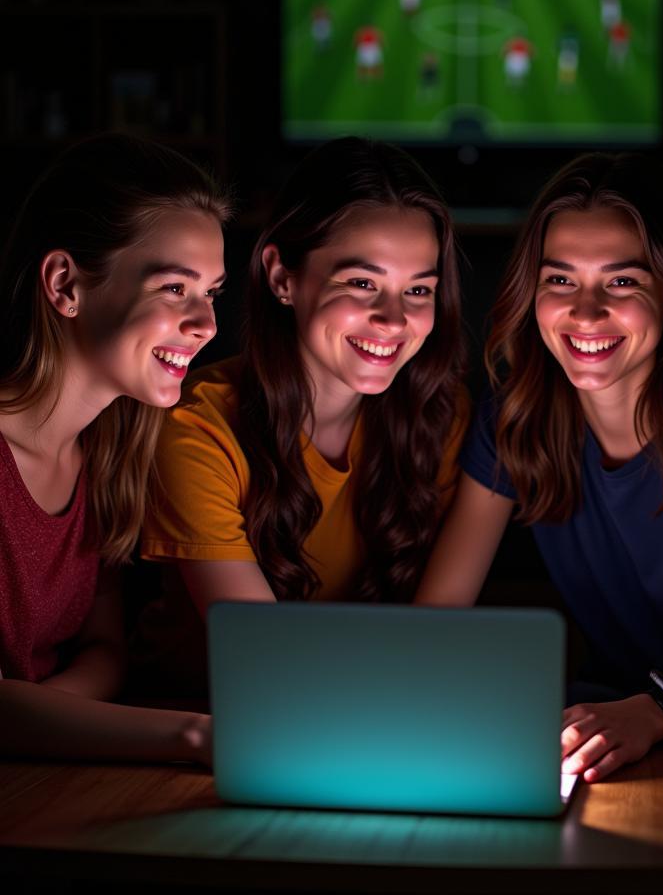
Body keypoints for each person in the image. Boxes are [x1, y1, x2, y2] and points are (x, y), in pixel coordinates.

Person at [417, 153, 663, 782]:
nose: (585, 310)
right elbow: (436, 621)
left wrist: (653, 710)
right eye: (560, 280)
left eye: (622, 282)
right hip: (602, 729)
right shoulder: (513, 419)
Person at [134, 137, 467, 694]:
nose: (393, 320)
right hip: (190, 730)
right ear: (283, 277)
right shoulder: (196, 427)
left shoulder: (443, 418)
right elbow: (268, 662)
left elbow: (435, 637)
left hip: (368, 717)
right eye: (362, 283)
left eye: (418, 290)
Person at [0, 134, 230, 763]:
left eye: (212, 292)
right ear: (65, 283)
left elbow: (105, 651)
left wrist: (37, 717)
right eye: (174, 289)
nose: (207, 324)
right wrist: (196, 737)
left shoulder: (109, 453)